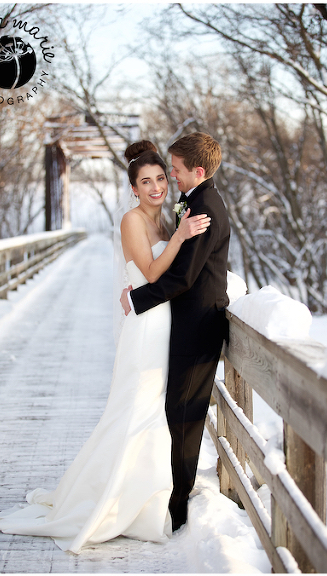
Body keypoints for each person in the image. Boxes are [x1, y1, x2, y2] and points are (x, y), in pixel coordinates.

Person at [0, 141, 211, 552]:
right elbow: (154, 271)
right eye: (147, 182)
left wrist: (177, 234)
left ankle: (146, 496)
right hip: (145, 330)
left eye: (162, 178)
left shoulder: (165, 220)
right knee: (136, 410)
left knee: (153, 412)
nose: (157, 186)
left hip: (166, 325)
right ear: (133, 188)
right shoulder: (133, 221)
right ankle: (118, 500)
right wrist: (179, 238)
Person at [121, 132, 229, 531]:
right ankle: (169, 491)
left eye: (174, 172)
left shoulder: (205, 209)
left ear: (196, 171)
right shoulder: (195, 203)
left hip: (197, 325)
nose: (171, 179)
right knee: (175, 410)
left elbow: (184, 276)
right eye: (153, 178)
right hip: (182, 323)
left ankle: (178, 503)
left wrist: (139, 299)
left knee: (183, 414)